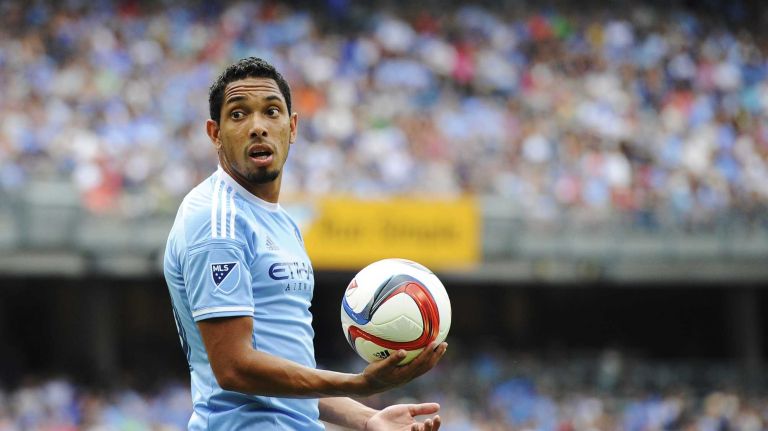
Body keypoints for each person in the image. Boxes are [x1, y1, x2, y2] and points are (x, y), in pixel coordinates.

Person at [163, 57, 448, 431]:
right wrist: (360, 385)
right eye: (238, 115)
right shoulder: (216, 221)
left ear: (292, 126)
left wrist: (366, 418)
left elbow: (287, 368)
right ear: (214, 133)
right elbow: (234, 367)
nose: (258, 127)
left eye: (271, 112)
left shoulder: (281, 221)